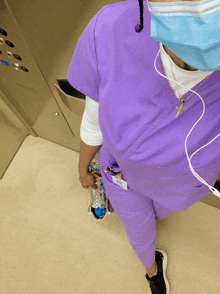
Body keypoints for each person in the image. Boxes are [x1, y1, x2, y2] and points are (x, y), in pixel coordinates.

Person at [67, 0, 220, 293]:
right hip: (121, 177)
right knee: (139, 231)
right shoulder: (112, 28)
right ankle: (152, 270)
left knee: (161, 213)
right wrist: (83, 168)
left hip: (180, 183)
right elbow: (93, 121)